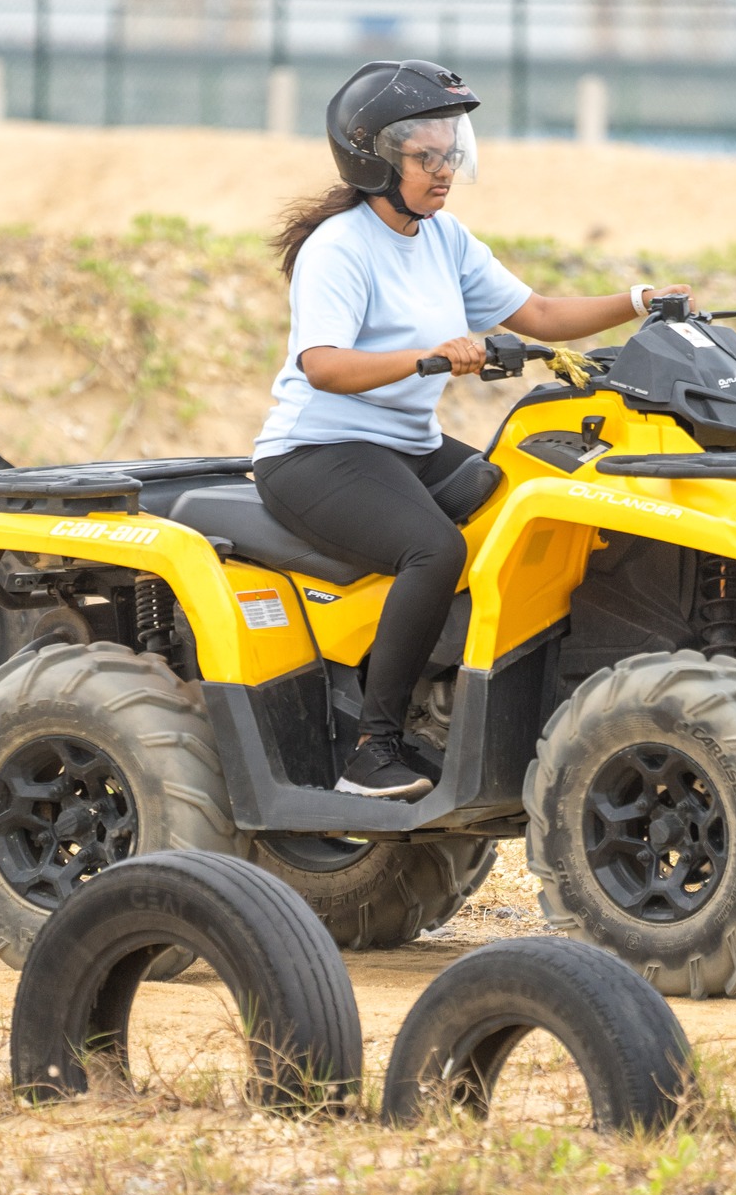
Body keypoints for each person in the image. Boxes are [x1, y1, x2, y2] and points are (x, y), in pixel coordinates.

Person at [254, 59, 686, 801]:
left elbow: (540, 316)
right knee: (435, 548)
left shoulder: (443, 237)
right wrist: (429, 358)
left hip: (405, 448)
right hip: (318, 452)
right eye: (427, 155)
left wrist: (641, 299)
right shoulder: (340, 246)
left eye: (451, 151)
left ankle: (455, 710)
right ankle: (371, 750)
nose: (445, 169)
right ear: (375, 157)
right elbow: (322, 366)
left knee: (518, 503)